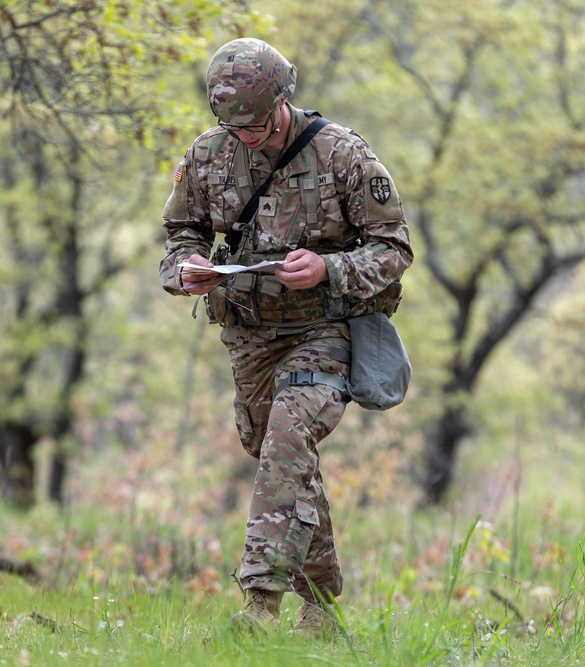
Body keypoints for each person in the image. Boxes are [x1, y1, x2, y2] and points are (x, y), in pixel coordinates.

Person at [159, 38, 413, 635]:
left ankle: (259, 604)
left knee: (287, 434)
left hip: (326, 328)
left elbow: (395, 247)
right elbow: (180, 233)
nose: (246, 135)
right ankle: (323, 613)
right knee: (279, 456)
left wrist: (330, 268)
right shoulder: (206, 156)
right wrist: (188, 271)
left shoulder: (342, 155)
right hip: (248, 335)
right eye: (232, 125)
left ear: (282, 97)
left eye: (256, 122)